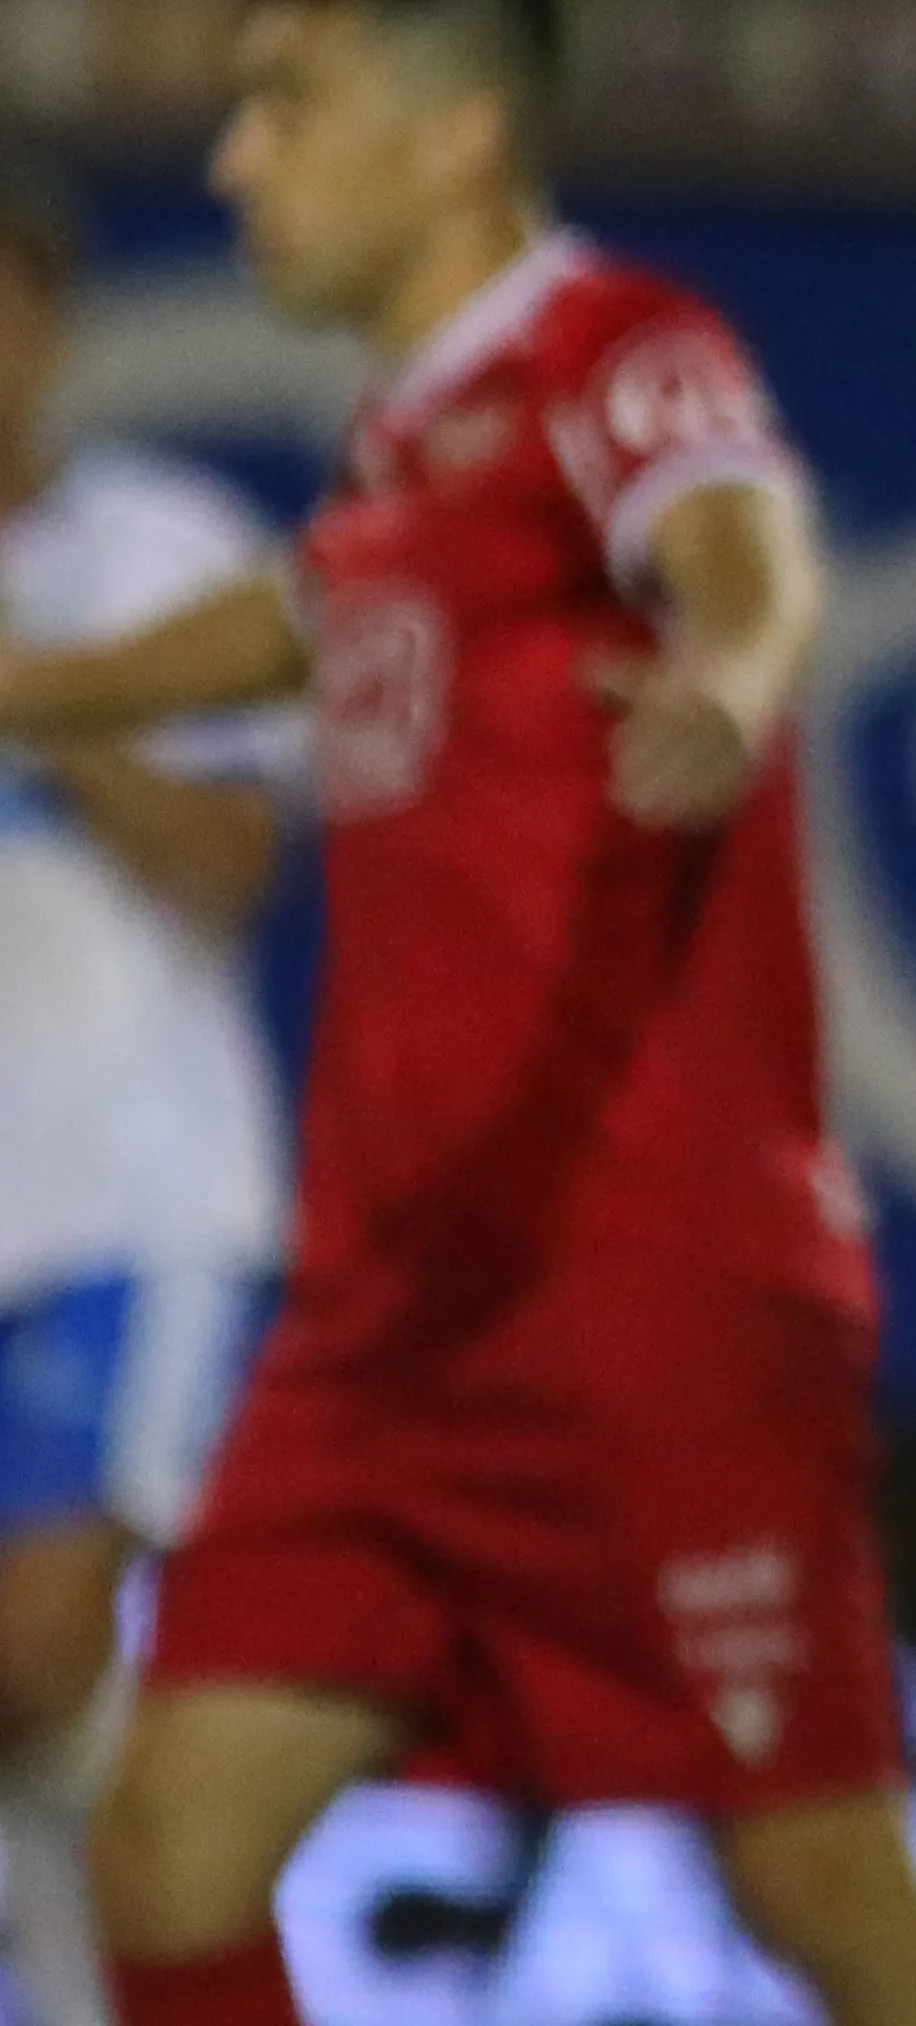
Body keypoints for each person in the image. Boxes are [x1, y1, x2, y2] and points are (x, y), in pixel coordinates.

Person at [0, 0, 916, 2026]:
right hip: (391, 1324)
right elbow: (286, 621)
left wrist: (732, 674)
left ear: (456, 133)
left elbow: (741, 540)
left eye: (286, 103)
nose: (234, 159)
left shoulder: (610, 345)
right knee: (166, 1846)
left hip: (642, 1287)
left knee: (821, 1890)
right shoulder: (406, 447)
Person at [0, 161, 296, 2026]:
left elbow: (227, 861)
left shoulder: (158, 550)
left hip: (126, 1192)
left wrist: (44, 704)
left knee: (33, 1653)